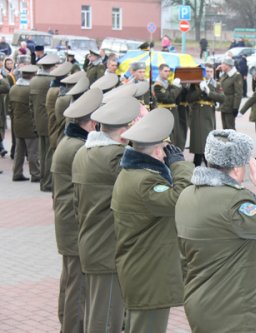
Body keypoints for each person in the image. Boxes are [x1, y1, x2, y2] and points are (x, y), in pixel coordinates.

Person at [175, 129, 256, 333]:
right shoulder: (233, 202)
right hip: (233, 313)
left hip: (199, 302)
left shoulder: (186, 195)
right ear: (238, 169)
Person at [111, 108, 194, 333]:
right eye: (163, 150)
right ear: (158, 152)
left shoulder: (132, 173)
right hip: (148, 273)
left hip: (141, 269)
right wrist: (179, 165)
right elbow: (181, 199)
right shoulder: (146, 181)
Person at [72, 96, 140, 332]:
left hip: (93, 242)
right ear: (124, 133)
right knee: (106, 320)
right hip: (108, 248)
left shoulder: (85, 151)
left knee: (99, 312)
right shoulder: (114, 156)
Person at [51, 88, 102, 333]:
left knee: (70, 282)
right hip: (74, 225)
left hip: (68, 223)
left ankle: (66, 324)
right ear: (91, 123)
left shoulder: (70, 141)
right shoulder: (78, 148)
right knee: (78, 289)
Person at [30, 53, 59, 192]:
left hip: (38, 120)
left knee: (43, 153)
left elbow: (31, 104)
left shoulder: (34, 80)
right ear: (52, 67)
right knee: (48, 154)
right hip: (49, 122)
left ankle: (43, 181)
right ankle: (47, 183)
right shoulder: (51, 81)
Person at [186, 64, 225, 166]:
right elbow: (189, 98)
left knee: (206, 140)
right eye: (206, 71)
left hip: (208, 114)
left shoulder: (216, 84)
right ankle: (199, 164)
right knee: (199, 142)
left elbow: (222, 98)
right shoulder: (195, 84)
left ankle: (200, 164)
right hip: (197, 113)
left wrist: (209, 92)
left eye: (210, 71)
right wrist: (200, 90)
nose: (208, 73)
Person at [9, 64, 40, 182]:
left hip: (17, 123)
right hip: (30, 124)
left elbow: (10, 108)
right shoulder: (30, 90)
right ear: (32, 76)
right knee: (32, 152)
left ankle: (17, 173)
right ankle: (35, 174)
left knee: (19, 151)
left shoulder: (13, 89)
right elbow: (34, 108)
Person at [153, 64, 183, 146]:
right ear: (160, 71)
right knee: (166, 136)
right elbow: (168, 98)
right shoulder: (157, 86)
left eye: (168, 71)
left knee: (175, 135)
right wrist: (175, 86)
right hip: (164, 113)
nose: (168, 73)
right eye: (165, 71)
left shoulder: (168, 83)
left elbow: (177, 98)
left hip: (173, 112)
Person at [218, 58, 243, 130]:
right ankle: (226, 141)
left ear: (228, 66)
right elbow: (219, 84)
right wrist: (217, 72)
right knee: (225, 127)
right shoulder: (225, 74)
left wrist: (236, 107)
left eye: (223, 64)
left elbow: (238, 93)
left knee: (230, 128)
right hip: (224, 104)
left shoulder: (236, 76)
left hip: (230, 106)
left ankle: (233, 141)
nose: (221, 65)